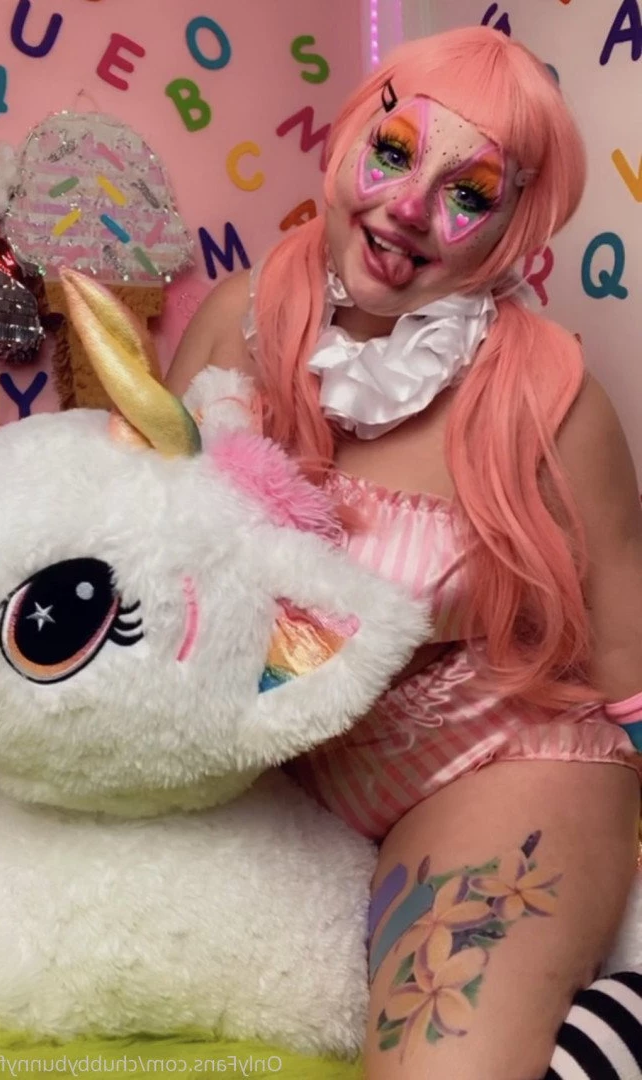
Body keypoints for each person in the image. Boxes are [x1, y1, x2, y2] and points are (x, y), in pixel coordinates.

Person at [165, 25, 642, 1080]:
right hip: (285, 776)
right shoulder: (243, 318)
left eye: (469, 192)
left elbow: (629, 662)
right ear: (350, 140)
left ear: (515, 226)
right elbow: (136, 544)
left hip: (489, 763)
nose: (409, 208)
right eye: (394, 153)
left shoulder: (553, 400)